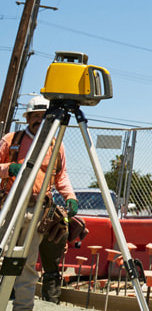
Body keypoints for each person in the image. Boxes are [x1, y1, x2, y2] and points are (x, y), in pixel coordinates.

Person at [0, 95, 79, 310]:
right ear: (27, 118)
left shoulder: (56, 146)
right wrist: (8, 169)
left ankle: (23, 307)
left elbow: (61, 176)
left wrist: (70, 198)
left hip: (38, 210)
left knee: (27, 263)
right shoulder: (11, 140)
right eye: (34, 116)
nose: (37, 120)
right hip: (10, 207)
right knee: (1, 255)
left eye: (42, 116)